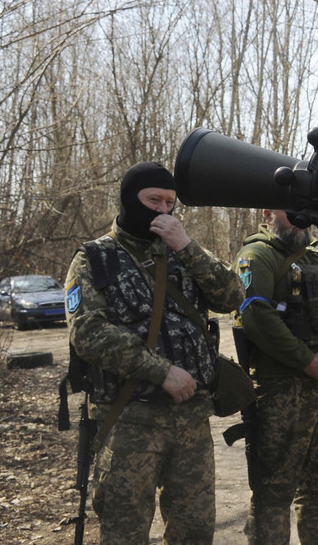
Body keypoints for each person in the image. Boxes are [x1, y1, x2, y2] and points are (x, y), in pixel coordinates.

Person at [65, 161, 243, 544]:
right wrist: (160, 371)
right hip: (131, 420)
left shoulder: (183, 252)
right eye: (153, 200)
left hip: (192, 421)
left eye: (169, 202)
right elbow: (88, 333)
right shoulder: (94, 258)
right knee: (124, 532)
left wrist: (189, 248)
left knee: (195, 532)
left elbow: (232, 297)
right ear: (130, 199)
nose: (162, 210)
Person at [233, 208, 318, 544]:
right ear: (268, 214)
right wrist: (306, 361)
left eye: (305, 213)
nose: (300, 220)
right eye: (291, 213)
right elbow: (256, 316)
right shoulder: (257, 255)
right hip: (280, 392)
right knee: (274, 490)